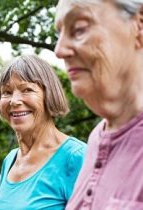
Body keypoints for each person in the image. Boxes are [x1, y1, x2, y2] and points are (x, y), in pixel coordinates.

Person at [54, 0, 143, 209]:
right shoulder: (97, 138)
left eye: (79, 29)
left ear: (139, 26)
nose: (59, 50)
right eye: (59, 34)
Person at [0, 55, 86, 210]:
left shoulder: (76, 157)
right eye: (6, 92)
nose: (14, 101)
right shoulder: (10, 160)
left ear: (49, 95)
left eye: (27, 90)